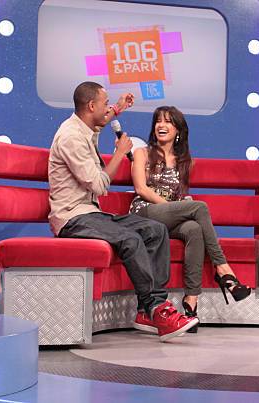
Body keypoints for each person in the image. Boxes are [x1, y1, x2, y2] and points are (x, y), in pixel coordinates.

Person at [48, 82, 198, 342]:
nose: (108, 108)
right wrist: (119, 154)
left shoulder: (84, 128)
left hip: (89, 213)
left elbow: (98, 124)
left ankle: (147, 311)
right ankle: (156, 309)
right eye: (105, 104)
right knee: (130, 239)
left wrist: (118, 108)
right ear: (91, 106)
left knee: (155, 230)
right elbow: (99, 185)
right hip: (72, 218)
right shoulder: (71, 137)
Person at [129, 106, 251, 332]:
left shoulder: (184, 161)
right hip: (144, 213)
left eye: (168, 122)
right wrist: (175, 207)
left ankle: (191, 302)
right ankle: (224, 270)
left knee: (194, 228)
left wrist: (179, 206)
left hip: (168, 218)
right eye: (158, 121)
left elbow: (179, 195)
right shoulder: (142, 153)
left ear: (178, 131)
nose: (161, 125)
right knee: (199, 207)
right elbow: (141, 188)